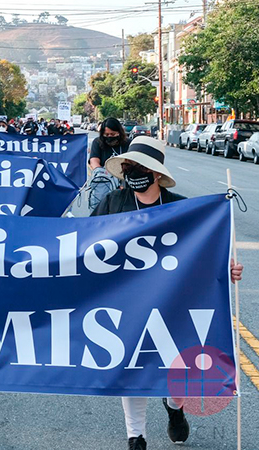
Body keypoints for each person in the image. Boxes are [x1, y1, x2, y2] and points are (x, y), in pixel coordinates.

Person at [92, 136, 244, 450]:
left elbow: (205, 254)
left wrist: (224, 270)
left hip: (172, 303)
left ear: (157, 174)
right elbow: (84, 247)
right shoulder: (112, 203)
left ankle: (175, 408)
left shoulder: (183, 209)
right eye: (130, 166)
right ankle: (136, 437)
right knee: (130, 367)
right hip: (126, 302)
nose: (133, 171)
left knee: (174, 368)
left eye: (140, 167)